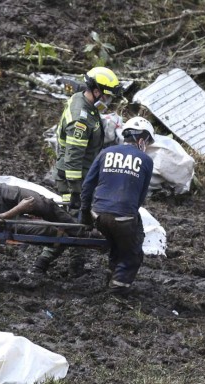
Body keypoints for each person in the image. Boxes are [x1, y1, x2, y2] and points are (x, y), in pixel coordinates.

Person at [32, 66, 122, 276]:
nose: (109, 101)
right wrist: (75, 192)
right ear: (97, 90)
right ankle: (41, 263)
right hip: (74, 179)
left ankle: (76, 266)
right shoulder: (81, 119)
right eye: (107, 96)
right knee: (73, 222)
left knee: (79, 222)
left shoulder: (84, 102)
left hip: (83, 178)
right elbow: (73, 158)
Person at [79, 116, 155, 296]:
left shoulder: (105, 152)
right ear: (141, 140)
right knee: (132, 254)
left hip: (98, 214)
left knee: (117, 244)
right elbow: (140, 198)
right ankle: (116, 292)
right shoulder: (145, 160)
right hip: (123, 217)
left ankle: (111, 274)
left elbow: (87, 185)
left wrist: (85, 215)